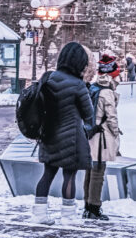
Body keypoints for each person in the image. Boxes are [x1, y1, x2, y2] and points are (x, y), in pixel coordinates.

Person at [31, 42, 93, 225]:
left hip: (48, 136)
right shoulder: (78, 85)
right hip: (71, 139)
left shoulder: (47, 78)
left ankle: (39, 214)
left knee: (47, 175)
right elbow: (89, 116)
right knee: (69, 177)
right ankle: (67, 216)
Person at [84, 53, 122, 221]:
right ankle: (94, 208)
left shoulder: (94, 87)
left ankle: (88, 206)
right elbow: (112, 118)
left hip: (91, 134)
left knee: (90, 171)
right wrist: (116, 134)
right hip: (101, 138)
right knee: (98, 172)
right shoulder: (107, 92)